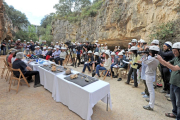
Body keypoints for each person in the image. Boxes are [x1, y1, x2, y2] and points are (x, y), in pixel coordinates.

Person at [156, 42, 180, 119]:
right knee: (173, 99)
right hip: (173, 83)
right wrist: (161, 61)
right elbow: (167, 63)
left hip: (179, 85)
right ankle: (174, 113)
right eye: (173, 51)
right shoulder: (176, 58)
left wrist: (161, 60)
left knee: (179, 103)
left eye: (175, 51)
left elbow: (174, 68)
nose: (173, 53)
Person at [142, 46, 159, 110]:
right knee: (151, 90)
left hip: (149, 75)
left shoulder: (153, 59)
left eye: (150, 52)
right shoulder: (156, 58)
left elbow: (145, 62)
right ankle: (151, 101)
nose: (149, 53)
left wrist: (144, 55)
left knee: (151, 91)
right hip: (151, 74)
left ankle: (151, 105)